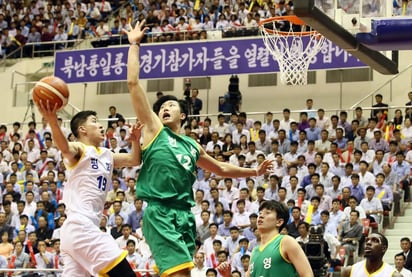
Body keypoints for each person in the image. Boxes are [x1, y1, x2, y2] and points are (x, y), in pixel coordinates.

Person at [124, 20, 273, 277]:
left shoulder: (192, 145)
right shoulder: (153, 129)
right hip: (160, 211)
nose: (164, 108)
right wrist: (135, 45)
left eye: (171, 106)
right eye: (161, 108)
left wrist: (255, 172)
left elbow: (222, 168)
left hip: (184, 215)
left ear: (183, 115)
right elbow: (133, 84)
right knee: (180, 274)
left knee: (176, 273)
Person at [36, 100, 143, 276]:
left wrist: (135, 140)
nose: (100, 126)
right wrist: (52, 121)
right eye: (94, 121)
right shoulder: (80, 149)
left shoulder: (107, 154)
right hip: (81, 227)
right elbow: (64, 147)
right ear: (82, 130)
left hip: (78, 232)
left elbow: (134, 160)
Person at [219, 200, 313, 277]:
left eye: (267, 213)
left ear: (279, 222)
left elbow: (307, 274)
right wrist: (228, 275)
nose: (261, 215)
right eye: (260, 213)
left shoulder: (286, 241)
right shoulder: (254, 251)